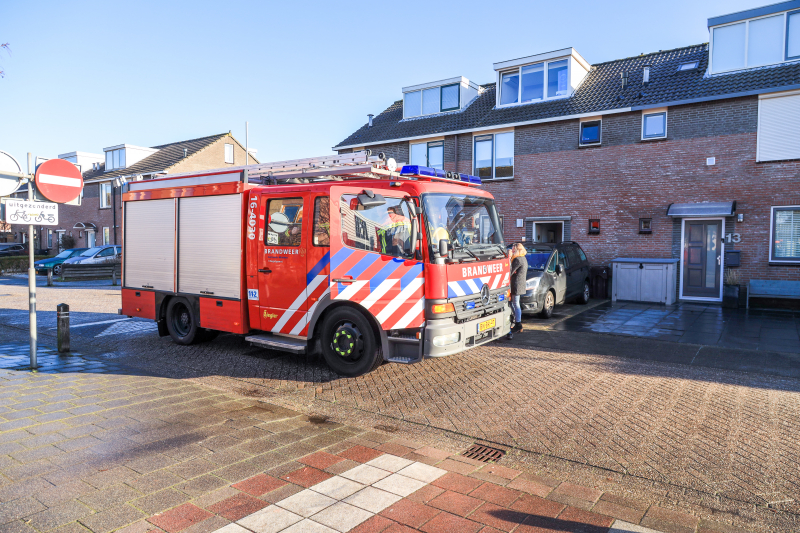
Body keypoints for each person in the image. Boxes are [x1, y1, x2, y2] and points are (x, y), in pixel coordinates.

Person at [509, 242, 528, 333]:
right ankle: (517, 323)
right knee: (516, 304)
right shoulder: (523, 258)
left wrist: (509, 259)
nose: (512, 250)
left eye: (513, 249)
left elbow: (510, 272)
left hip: (516, 284)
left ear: (517, 250)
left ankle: (517, 323)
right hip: (520, 284)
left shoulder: (517, 260)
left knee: (515, 304)